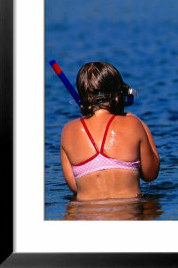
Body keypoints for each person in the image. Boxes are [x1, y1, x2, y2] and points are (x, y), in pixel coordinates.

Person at [60, 62, 160, 201]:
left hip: (86, 215)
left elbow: (75, 187)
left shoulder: (68, 131)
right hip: (128, 213)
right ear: (118, 96)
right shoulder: (133, 124)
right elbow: (151, 174)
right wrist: (142, 126)